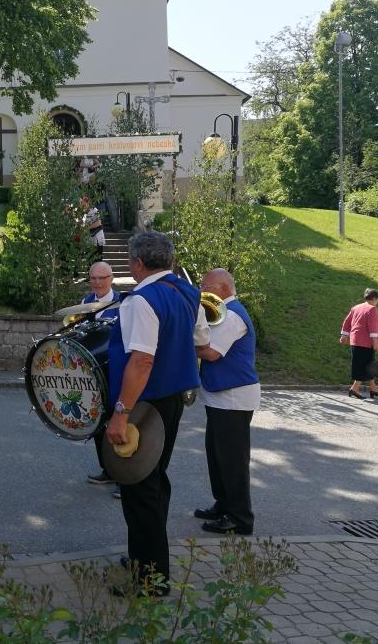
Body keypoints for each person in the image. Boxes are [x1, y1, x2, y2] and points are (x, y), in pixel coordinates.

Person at [105, 230, 209, 595]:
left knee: (139, 488)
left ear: (137, 262)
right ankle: (146, 559)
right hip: (171, 401)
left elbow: (142, 361)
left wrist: (121, 412)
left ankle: (150, 580)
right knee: (154, 480)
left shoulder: (141, 299)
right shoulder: (188, 292)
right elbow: (201, 341)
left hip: (143, 405)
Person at [194, 268, 260, 536]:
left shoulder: (231, 316)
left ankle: (240, 517)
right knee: (217, 454)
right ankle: (223, 504)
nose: (201, 291)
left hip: (233, 397)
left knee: (232, 460)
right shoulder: (223, 312)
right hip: (222, 395)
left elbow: (211, 353)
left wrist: (183, 343)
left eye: (205, 286)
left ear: (222, 288)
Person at [81, 261, 122, 490]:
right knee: (98, 422)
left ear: (111, 278)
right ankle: (107, 469)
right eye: (93, 278)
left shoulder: (123, 303)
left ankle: (124, 477)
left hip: (115, 370)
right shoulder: (85, 302)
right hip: (93, 372)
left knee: (118, 423)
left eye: (101, 278)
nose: (97, 283)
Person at [341, 288, 378, 399]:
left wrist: (344, 335)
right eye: (377, 300)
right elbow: (372, 326)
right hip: (366, 342)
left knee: (367, 365)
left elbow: (347, 321)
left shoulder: (356, 308)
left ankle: (373, 389)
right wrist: (375, 342)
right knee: (365, 366)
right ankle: (354, 388)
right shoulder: (372, 309)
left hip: (355, 341)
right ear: (374, 298)